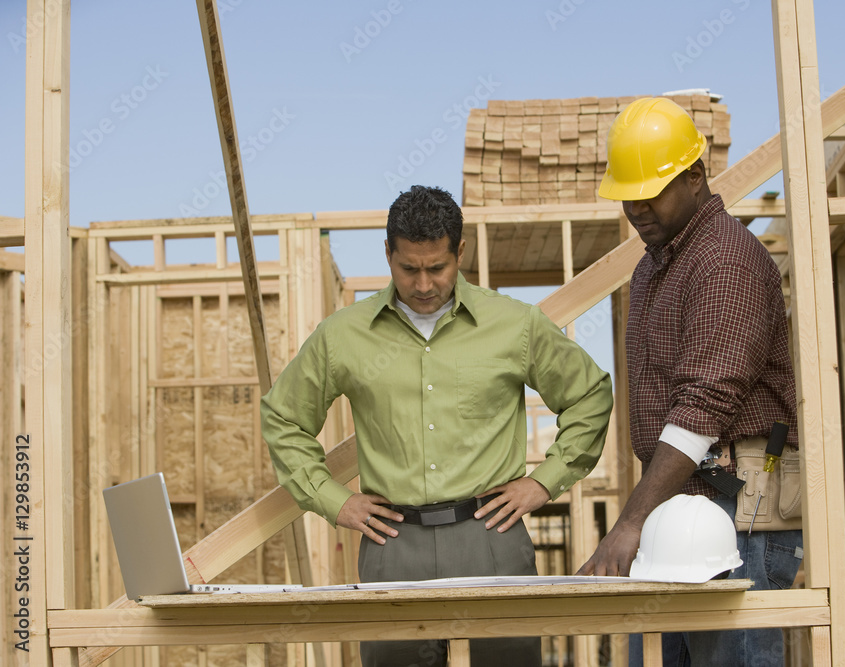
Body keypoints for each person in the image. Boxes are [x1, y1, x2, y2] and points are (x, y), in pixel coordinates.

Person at [262, 185, 613, 667]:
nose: (424, 284)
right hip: (392, 544)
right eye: (409, 268)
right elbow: (284, 418)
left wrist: (543, 482)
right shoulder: (342, 336)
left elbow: (590, 394)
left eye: (437, 268)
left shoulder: (515, 325)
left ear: (460, 252)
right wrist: (332, 499)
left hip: (491, 535)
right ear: (388, 254)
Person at [577, 97, 802, 666]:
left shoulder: (725, 259)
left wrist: (628, 523)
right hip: (676, 506)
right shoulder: (654, 265)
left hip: (738, 512)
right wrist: (646, 517)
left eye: (650, 191)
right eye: (627, 194)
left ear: (696, 175)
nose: (636, 207)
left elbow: (705, 403)